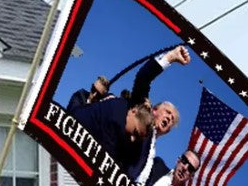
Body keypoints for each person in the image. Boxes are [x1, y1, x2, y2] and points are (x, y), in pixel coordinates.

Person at [69, 45, 190, 178]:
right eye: (167, 112)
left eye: (172, 120)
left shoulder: (152, 155)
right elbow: (143, 78)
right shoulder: (140, 108)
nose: (169, 118)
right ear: (154, 110)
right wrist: (170, 57)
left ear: (168, 131)